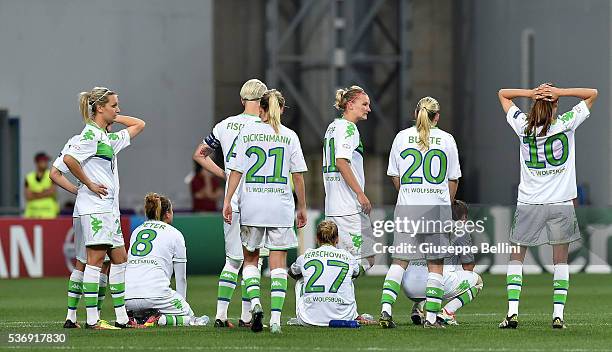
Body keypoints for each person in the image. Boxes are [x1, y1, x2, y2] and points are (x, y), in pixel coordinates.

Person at [497, 84, 597, 329]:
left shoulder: (523, 126)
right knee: (560, 261)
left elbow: (502, 94)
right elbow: (593, 93)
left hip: (529, 202)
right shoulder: (565, 123)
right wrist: (560, 92)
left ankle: (511, 313)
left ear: (534, 105)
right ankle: (558, 315)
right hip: (560, 203)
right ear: (555, 105)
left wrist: (530, 93)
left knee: (516, 259)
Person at [223, 89, 308, 334]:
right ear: (280, 109)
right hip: (280, 205)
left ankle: (256, 304)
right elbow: (298, 176)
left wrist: (228, 201)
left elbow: (236, 171)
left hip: (252, 204)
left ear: (260, 108)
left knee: (250, 259)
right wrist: (301, 206)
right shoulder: (289, 136)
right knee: (278, 262)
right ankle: (276, 321)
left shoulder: (247, 132)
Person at [63, 86, 145, 329]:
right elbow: (69, 160)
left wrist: (114, 117)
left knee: (120, 259)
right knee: (95, 260)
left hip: (110, 210)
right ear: (100, 108)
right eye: (114, 105)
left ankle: (121, 318)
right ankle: (92, 319)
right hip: (95, 208)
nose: (118, 109)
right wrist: (88, 183)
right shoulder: (89, 136)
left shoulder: (105, 138)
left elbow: (139, 124)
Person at [193, 78, 269, 328]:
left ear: (242, 100)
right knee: (253, 259)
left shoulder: (225, 125)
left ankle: (220, 314)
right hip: (259, 199)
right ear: (264, 100)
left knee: (232, 260)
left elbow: (199, 154)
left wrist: (226, 174)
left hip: (232, 199)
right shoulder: (268, 125)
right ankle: (247, 315)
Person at [381, 96, 461, 328]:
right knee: (435, 264)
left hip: (408, 207)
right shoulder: (447, 139)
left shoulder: (401, 137)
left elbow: (395, 176)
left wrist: (409, 196)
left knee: (399, 262)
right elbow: (453, 179)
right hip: (436, 208)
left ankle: (386, 310)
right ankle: (432, 318)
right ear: (437, 116)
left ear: (416, 113)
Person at [124, 193, 208, 327]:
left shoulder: (136, 231)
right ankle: (160, 320)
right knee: (193, 319)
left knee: (143, 307)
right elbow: (181, 278)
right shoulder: (175, 234)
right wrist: (182, 306)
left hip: (127, 297)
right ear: (168, 214)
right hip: (156, 295)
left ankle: (139, 318)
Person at [401, 200, 482, 326]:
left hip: (408, 284)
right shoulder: (460, 229)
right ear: (464, 217)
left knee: (427, 270)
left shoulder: (426, 224)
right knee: (477, 281)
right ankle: (447, 312)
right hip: (433, 283)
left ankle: (417, 309)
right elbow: (468, 266)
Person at [289, 220, 360, 326]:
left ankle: (312, 310)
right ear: (337, 239)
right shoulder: (348, 257)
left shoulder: (306, 256)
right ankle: (353, 314)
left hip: (308, 320)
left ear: (317, 239)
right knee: (349, 278)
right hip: (345, 317)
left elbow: (291, 272)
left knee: (301, 279)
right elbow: (357, 273)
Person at [24, 152, 59, 218]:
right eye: (43, 161)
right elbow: (28, 196)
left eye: (46, 161)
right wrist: (44, 191)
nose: (46, 163)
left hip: (49, 213)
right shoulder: (29, 177)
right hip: (32, 213)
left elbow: (52, 191)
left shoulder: (52, 175)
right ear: (37, 162)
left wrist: (35, 193)